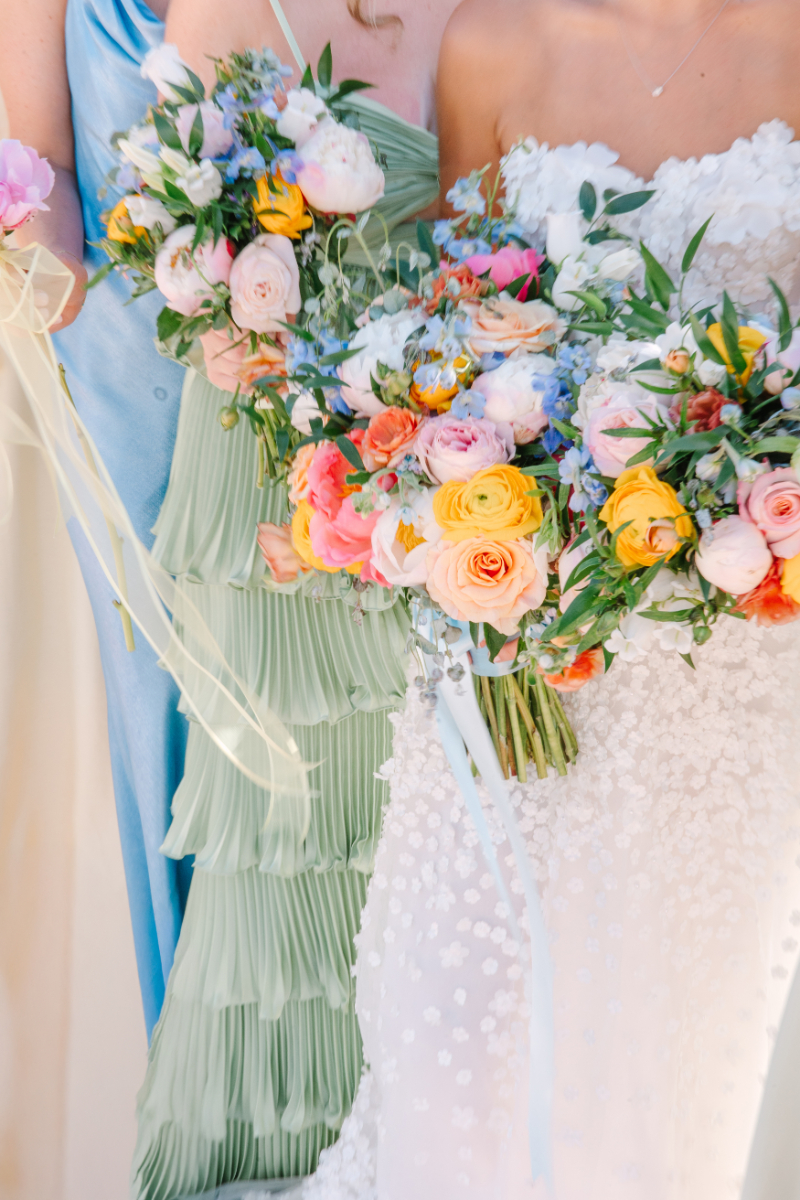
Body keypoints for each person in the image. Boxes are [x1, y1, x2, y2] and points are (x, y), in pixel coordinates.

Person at [297, 1, 800, 1198]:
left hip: (726, 670)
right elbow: (455, 327)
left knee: (661, 1061)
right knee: (456, 1022)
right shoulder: (493, 41)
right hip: (519, 633)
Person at [129, 3, 458, 1198]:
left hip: (460, 468)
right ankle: (268, 1155)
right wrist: (220, 323)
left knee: (439, 824)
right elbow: (175, 240)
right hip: (278, 467)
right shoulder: (234, 8)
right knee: (290, 838)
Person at [0, 0, 192, 1040]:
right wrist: (34, 228)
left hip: (344, 297)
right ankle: (213, 1063)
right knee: (169, 682)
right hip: (130, 337)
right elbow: (42, 175)